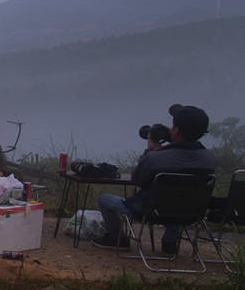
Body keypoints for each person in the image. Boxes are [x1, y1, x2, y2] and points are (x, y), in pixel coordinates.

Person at [93, 104, 217, 253]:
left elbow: (137, 179)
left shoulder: (156, 158)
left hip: (148, 211)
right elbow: (184, 157)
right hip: (188, 213)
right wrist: (174, 144)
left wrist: (153, 149)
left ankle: (118, 239)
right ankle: (170, 242)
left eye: (173, 126)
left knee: (104, 199)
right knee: (179, 199)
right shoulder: (210, 158)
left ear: (176, 130)